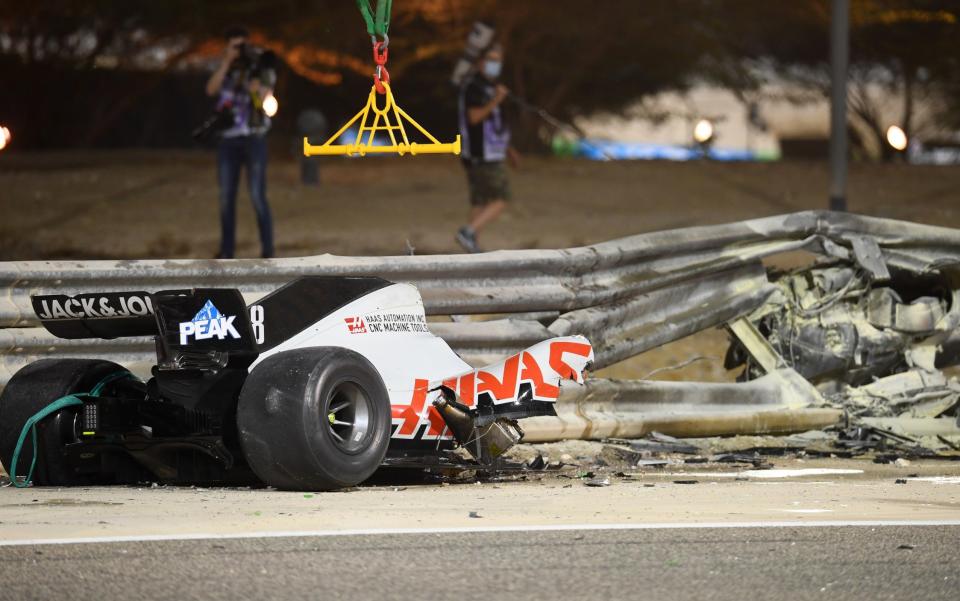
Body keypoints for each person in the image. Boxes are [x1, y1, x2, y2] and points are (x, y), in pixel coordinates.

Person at [205, 26, 276, 259]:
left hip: (254, 137)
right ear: (227, 46)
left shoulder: (259, 66)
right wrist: (227, 62)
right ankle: (227, 252)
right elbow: (210, 89)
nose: (239, 50)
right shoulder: (224, 67)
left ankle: (268, 251)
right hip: (228, 140)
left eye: (242, 46)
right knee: (226, 196)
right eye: (234, 46)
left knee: (257, 194)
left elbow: (266, 101)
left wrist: (258, 90)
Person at [455, 43, 519, 253]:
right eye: (491, 59)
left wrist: (508, 149)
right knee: (501, 198)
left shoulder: (490, 86)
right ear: (480, 62)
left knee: (480, 202)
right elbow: (474, 117)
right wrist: (497, 100)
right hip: (480, 154)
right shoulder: (474, 86)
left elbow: (496, 123)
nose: (495, 64)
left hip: (491, 151)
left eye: (498, 60)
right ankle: (468, 232)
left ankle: (471, 247)